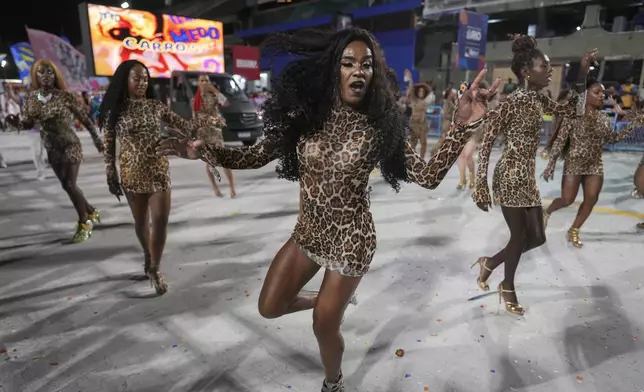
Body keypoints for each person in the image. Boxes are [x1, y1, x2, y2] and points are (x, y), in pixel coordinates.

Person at [156, 27, 497, 391]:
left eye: (366, 65)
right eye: (348, 63)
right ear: (334, 69)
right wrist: (204, 151)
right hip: (310, 232)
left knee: (323, 324)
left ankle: (333, 382)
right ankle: (332, 302)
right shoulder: (306, 117)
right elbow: (255, 156)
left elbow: (428, 177)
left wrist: (462, 126)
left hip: (353, 239)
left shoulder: (380, 127)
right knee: (269, 306)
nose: (358, 71)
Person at [471, 35, 597, 316]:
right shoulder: (510, 103)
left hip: (527, 178)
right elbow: (487, 141)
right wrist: (480, 184)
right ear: (527, 71)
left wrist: (582, 73)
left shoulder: (540, 100)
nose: (550, 70)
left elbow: (572, 111)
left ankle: (489, 263)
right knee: (519, 236)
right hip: (509, 175)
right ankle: (507, 286)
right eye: (545, 66)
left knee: (537, 237)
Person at [98, 60, 223, 296]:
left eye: (145, 78)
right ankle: (147, 256)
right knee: (141, 222)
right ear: (125, 80)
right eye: (137, 78)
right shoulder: (116, 110)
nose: (142, 82)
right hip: (131, 172)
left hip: (159, 169)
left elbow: (184, 125)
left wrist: (207, 121)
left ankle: (154, 267)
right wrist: (110, 171)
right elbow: (109, 143)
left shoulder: (156, 106)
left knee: (161, 220)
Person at [5, 59, 103, 242]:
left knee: (69, 184)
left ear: (55, 75)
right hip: (51, 147)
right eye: (41, 72)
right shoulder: (30, 99)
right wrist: (15, 123)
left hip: (70, 144)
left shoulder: (64, 96)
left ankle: (84, 223)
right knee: (67, 186)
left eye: (49, 72)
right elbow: (27, 124)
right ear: (36, 75)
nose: (45, 76)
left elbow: (84, 119)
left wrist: (96, 138)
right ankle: (91, 211)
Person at [542, 79, 644, 246]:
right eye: (597, 92)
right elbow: (561, 140)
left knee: (591, 198)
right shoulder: (574, 115)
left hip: (595, 164)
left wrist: (632, 125)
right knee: (567, 199)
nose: (601, 95)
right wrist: (551, 164)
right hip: (574, 162)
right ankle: (546, 212)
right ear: (585, 95)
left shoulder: (604, 118)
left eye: (603, 93)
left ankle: (574, 229)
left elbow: (613, 139)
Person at [193, 74, 236, 198]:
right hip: (204, 132)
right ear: (198, 82)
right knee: (209, 161)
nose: (205, 83)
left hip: (216, 132)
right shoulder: (195, 99)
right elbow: (196, 117)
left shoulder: (214, 96)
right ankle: (215, 188)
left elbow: (226, 103)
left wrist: (215, 90)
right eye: (202, 80)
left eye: (207, 80)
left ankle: (232, 187)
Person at [405, 72, 431, 160]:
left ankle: (422, 160)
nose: (421, 92)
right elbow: (411, 89)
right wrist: (410, 78)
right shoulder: (414, 99)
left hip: (423, 124)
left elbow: (431, 93)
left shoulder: (425, 101)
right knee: (413, 143)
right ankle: (412, 160)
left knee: (424, 142)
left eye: (423, 91)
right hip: (414, 124)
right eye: (419, 91)